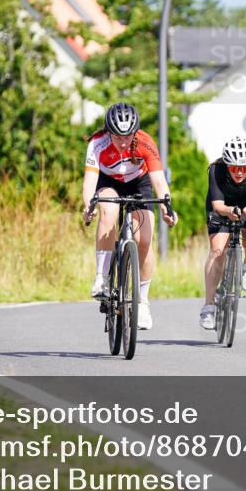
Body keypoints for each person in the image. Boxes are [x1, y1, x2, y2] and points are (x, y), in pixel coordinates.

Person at [82, 102, 177, 330]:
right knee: (109, 210)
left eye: (128, 136)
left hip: (139, 183)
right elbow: (90, 182)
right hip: (108, 183)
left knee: (145, 239)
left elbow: (158, 180)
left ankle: (142, 300)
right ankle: (102, 278)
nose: (123, 141)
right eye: (117, 136)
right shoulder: (97, 143)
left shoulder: (145, 141)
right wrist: (89, 206)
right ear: (108, 132)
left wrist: (167, 206)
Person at [200, 136, 246, 330]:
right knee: (217, 250)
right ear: (227, 165)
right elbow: (218, 205)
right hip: (222, 207)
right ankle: (209, 306)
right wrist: (231, 212)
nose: (239, 172)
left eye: (244, 168)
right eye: (234, 168)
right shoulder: (216, 169)